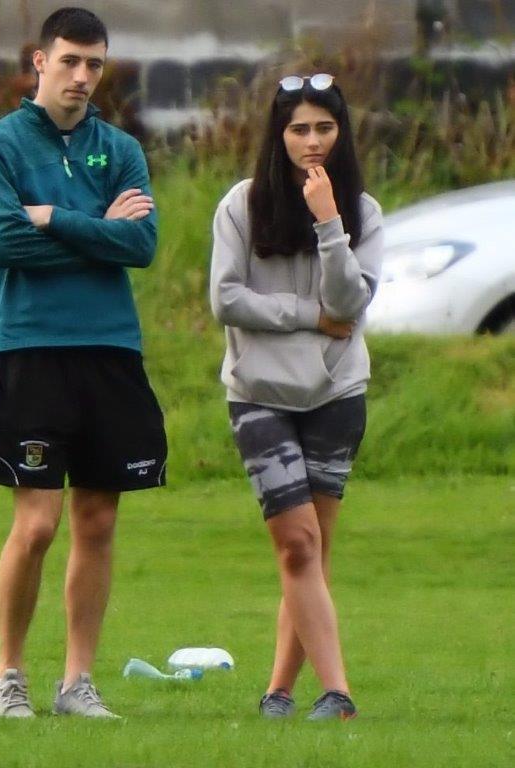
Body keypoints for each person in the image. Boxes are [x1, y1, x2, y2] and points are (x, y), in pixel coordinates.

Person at [0, 7, 167, 719]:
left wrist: (53, 217)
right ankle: (8, 675)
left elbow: (141, 246)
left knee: (98, 521)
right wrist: (97, 229)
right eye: (71, 61)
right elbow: (3, 244)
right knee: (37, 524)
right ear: (39, 60)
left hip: (109, 348)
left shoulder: (119, 149)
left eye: (95, 64)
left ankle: (77, 682)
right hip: (30, 346)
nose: (83, 76)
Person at [209, 73, 383, 720]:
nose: (311, 141)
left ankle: (279, 692)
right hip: (258, 393)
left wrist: (329, 222)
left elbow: (350, 304)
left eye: (323, 128)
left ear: (341, 134)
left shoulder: (362, 214)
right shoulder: (239, 204)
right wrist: (307, 316)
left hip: (336, 393)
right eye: (298, 129)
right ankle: (337, 694)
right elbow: (224, 298)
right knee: (296, 543)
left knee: (311, 549)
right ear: (277, 136)